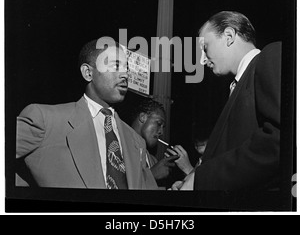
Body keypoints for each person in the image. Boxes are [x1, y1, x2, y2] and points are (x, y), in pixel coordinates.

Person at [16, 37, 158, 189]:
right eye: (115, 66)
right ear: (88, 73)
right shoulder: (44, 119)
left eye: (126, 69)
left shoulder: (137, 142)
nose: (125, 75)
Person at [172, 11, 281, 191]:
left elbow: (280, 140)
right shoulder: (238, 86)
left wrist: (201, 180)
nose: (202, 60)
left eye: (205, 48)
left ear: (229, 36)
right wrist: (191, 180)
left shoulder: (271, 56)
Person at [130, 99, 179, 183]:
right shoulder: (120, 146)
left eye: (163, 127)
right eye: (159, 124)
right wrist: (152, 174)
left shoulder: (153, 160)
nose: (161, 132)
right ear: (143, 117)